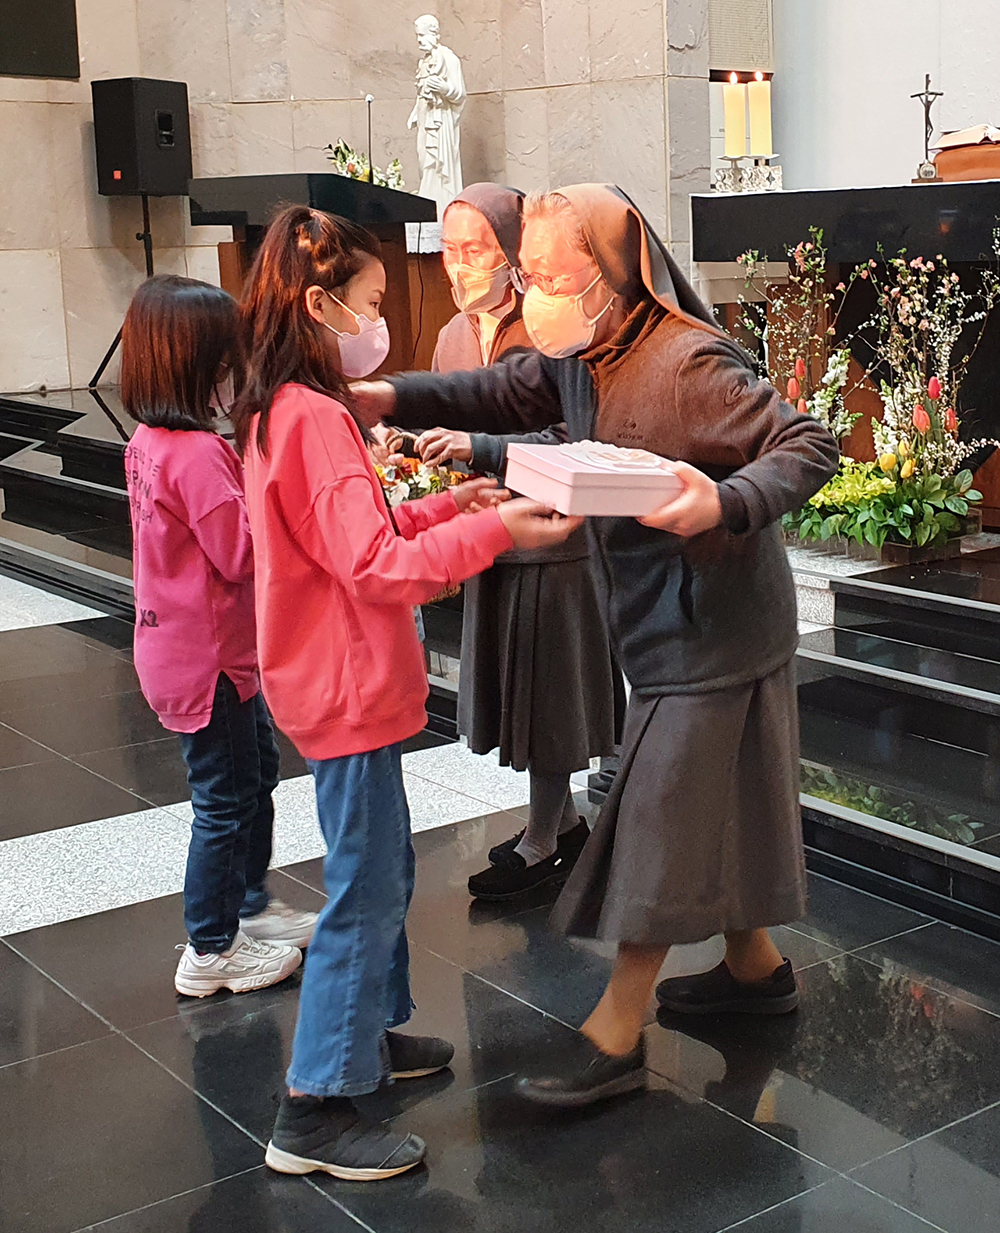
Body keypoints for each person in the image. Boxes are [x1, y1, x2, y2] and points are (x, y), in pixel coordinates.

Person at [352, 183, 840, 1107]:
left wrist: (725, 499)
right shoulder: (584, 355)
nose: (532, 294)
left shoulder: (688, 360)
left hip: (718, 630)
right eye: (527, 274)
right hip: (661, 625)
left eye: (549, 277)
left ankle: (617, 1027)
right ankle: (755, 969)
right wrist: (395, 395)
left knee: (656, 817)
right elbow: (503, 390)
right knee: (726, 801)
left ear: (612, 275)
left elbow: (809, 444)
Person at [230, 205, 582, 1178]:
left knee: (378, 869)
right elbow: (375, 568)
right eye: (374, 301)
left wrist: (449, 505)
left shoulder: (284, 408)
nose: (382, 322)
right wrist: (496, 531)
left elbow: (355, 533)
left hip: (336, 679)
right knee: (367, 888)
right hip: (343, 686)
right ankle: (315, 1108)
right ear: (320, 305)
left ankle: (367, 1039)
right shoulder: (313, 418)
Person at [411, 182, 620, 901]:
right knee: (521, 694)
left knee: (550, 695)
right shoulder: (451, 334)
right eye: (449, 250)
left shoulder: (551, 327)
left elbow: (574, 434)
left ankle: (542, 841)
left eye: (476, 249)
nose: (460, 265)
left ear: (512, 252)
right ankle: (562, 826)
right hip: (488, 532)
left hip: (552, 535)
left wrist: (479, 446)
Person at [120, 274, 316, 1000]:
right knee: (226, 800)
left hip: (183, 648)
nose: (237, 372)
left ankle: (248, 905)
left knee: (252, 776)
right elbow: (239, 554)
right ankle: (211, 948)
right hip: (210, 662)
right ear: (199, 364)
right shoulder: (196, 452)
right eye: (228, 358)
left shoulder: (148, 440)